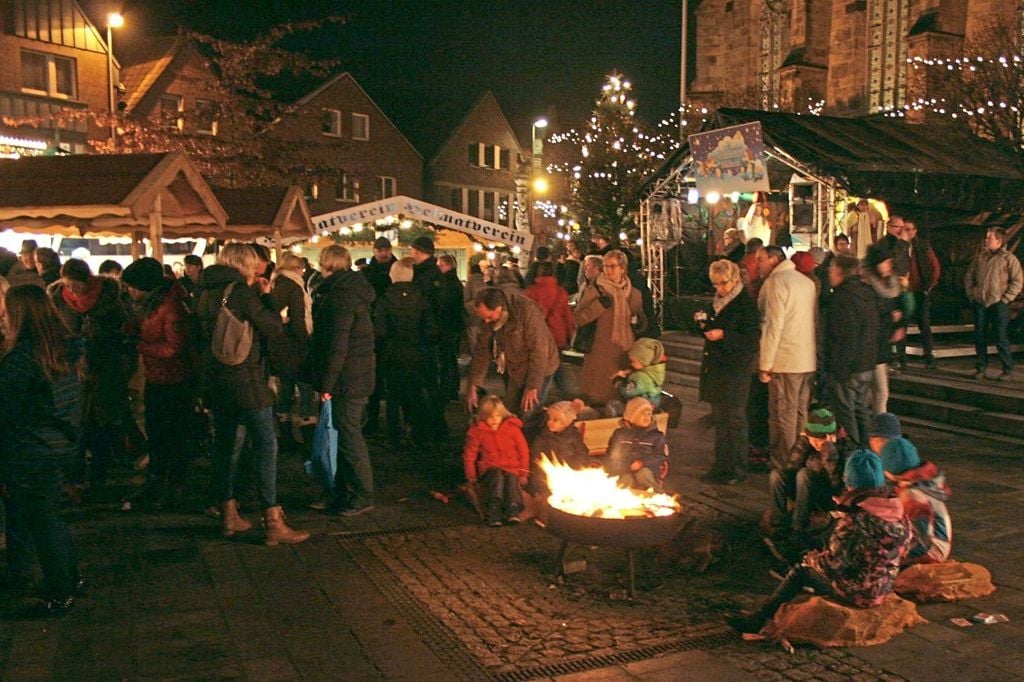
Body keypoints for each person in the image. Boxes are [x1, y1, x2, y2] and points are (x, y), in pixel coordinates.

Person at [728, 450, 911, 634]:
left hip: (860, 593)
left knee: (801, 572)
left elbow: (834, 565)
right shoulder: (897, 511)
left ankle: (759, 618)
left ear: (850, 482)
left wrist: (811, 558)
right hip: (883, 584)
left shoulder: (856, 519)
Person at [196, 243, 308, 544]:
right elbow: (273, 328)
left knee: (226, 446)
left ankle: (228, 515)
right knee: (266, 445)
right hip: (247, 380)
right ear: (245, 264)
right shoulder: (240, 292)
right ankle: (273, 520)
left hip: (217, 381)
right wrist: (267, 296)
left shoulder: (204, 291)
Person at [0, 286, 84, 617]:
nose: (4, 317)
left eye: (7, 311)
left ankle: (59, 590)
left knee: (42, 519)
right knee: (49, 516)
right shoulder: (62, 349)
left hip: (31, 447)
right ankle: (69, 579)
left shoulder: (22, 358)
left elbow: (6, 408)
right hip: (58, 443)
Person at [307, 245, 377, 517]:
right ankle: (342, 491)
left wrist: (326, 384)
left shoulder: (341, 297)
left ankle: (360, 493)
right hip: (353, 375)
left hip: (348, 379)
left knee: (348, 436)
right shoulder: (347, 292)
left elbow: (337, 345)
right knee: (342, 435)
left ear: (327, 265)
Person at [50, 258, 130, 490]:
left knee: (102, 423)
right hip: (71, 372)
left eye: (76, 285)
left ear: (88, 280)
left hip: (105, 369)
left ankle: (98, 476)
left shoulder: (109, 297)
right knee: (75, 424)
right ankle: (73, 476)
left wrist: (102, 334)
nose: (72, 290)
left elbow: (123, 330)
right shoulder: (58, 299)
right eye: (68, 286)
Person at [121, 258, 194, 509]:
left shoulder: (171, 307)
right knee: (157, 434)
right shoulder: (151, 305)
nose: (130, 292)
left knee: (171, 436)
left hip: (174, 380)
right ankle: (157, 481)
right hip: (157, 377)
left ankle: (172, 487)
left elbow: (175, 347)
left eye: (133, 287)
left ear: (146, 286)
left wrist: (140, 345)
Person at [698, 259, 760, 485]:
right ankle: (720, 465)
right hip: (717, 368)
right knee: (720, 419)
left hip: (735, 370)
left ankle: (736, 468)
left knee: (735, 420)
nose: (719, 288)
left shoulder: (744, 305)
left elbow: (751, 339)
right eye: (715, 284)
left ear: (735, 280)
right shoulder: (718, 302)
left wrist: (724, 335)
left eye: (723, 283)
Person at [756, 246, 816, 472]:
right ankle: (801, 456)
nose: (759, 264)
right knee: (801, 411)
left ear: (774, 259)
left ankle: (786, 463)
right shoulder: (806, 283)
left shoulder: (776, 283)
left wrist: (765, 363)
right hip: (805, 356)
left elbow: (773, 325)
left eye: (761, 259)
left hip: (785, 358)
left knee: (785, 413)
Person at [373, 257, 436, 449]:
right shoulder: (422, 299)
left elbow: (380, 330)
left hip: (392, 353)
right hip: (417, 353)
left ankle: (394, 435)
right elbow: (431, 329)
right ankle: (418, 432)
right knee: (415, 393)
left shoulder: (384, 299)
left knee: (393, 396)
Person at [467, 287, 560, 418]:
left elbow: (540, 350)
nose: (486, 321)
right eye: (483, 318)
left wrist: (532, 386)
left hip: (541, 367)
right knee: (510, 411)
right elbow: (481, 351)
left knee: (528, 411)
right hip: (515, 367)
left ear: (499, 308)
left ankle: (529, 435)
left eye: (489, 316)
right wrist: (475, 384)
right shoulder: (488, 320)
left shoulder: (526, 310)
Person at [766, 409, 845, 554]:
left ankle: (797, 531)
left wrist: (829, 453)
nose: (814, 443)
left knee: (804, 474)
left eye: (817, 440)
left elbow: (836, 484)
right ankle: (778, 527)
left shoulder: (843, 446)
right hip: (804, 491)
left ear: (829, 436)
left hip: (827, 498)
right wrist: (802, 444)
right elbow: (791, 468)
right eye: (811, 438)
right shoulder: (808, 443)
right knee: (776, 475)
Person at [574, 250, 646, 404]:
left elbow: (642, 320)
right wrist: (599, 306)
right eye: (605, 266)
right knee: (597, 396)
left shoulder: (634, 293)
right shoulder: (595, 290)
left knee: (619, 395)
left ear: (622, 268)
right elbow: (579, 318)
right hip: (599, 351)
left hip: (624, 351)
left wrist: (639, 322)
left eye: (612, 266)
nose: (608, 270)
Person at [824, 254, 878, 448]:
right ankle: (867, 451)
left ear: (838, 272)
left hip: (848, 366)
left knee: (846, 414)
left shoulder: (841, 298)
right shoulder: (867, 293)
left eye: (831, 270)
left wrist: (839, 369)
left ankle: (854, 455)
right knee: (860, 409)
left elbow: (845, 336)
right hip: (866, 363)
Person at [880, 437, 952, 565]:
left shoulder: (912, 496)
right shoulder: (923, 484)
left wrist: (888, 556)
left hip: (930, 554)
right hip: (935, 546)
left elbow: (924, 542)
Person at [269, 253, 314, 450]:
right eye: (302, 268)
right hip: (295, 346)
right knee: (305, 389)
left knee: (285, 390)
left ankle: (285, 434)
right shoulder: (294, 286)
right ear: (295, 268)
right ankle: (308, 437)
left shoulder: (276, 284)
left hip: (280, 345)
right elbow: (298, 320)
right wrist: (306, 341)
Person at [965, 227, 1022, 380]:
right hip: (980, 302)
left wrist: (1006, 299)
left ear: (999, 241)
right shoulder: (980, 258)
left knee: (1000, 336)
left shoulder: (1009, 259)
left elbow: (1017, 281)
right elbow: (969, 276)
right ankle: (981, 367)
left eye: (989, 238)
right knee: (980, 336)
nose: (986, 240)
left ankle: (1007, 369)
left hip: (999, 303)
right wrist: (972, 294)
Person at [462, 396, 529, 527]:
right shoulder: (478, 431)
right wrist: (471, 475)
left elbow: (523, 451)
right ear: (483, 416)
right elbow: (469, 454)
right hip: (490, 469)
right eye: (490, 416)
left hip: (511, 468)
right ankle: (494, 509)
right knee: (497, 478)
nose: (494, 420)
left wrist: (523, 473)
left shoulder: (513, 429)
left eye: (497, 416)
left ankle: (512, 508)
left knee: (510, 479)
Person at [862, 243, 904, 414]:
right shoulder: (867, 285)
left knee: (870, 394)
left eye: (889, 262)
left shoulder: (892, 283)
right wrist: (890, 316)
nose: (888, 266)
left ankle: (855, 427)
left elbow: (899, 305)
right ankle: (880, 430)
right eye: (884, 262)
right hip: (871, 345)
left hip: (882, 343)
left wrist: (899, 323)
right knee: (880, 392)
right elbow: (871, 314)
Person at [362, 236, 397, 434]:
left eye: (386, 249)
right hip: (373, 330)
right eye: (380, 250)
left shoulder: (395, 268)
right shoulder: (369, 272)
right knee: (373, 376)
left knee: (389, 376)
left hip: (390, 331)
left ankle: (391, 421)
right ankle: (373, 416)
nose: (383, 253)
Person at [896, 221, 941, 369]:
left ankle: (929, 356)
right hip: (903, 291)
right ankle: (901, 358)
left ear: (915, 231)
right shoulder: (898, 247)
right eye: (904, 229)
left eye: (909, 229)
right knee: (902, 325)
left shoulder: (922, 246)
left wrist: (929, 285)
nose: (906, 232)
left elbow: (935, 266)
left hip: (920, 290)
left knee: (924, 324)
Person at [602, 397, 669, 491]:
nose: (647, 417)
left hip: (648, 469)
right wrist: (619, 467)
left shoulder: (656, 435)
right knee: (625, 479)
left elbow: (661, 455)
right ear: (632, 417)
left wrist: (642, 462)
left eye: (649, 414)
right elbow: (611, 454)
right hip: (625, 468)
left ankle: (657, 495)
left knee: (643, 474)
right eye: (643, 414)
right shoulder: (620, 434)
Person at [436, 254, 465, 401]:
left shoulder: (446, 283)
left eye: (440, 266)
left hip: (447, 326)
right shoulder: (455, 282)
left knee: (447, 359)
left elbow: (444, 306)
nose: (438, 268)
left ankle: (449, 388)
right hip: (453, 326)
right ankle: (452, 387)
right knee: (450, 358)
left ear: (447, 266)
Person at [613, 337, 666, 409]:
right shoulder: (652, 373)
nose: (631, 364)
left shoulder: (641, 377)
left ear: (645, 362)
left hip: (640, 408)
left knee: (613, 406)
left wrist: (618, 380)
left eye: (633, 361)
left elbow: (627, 392)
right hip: (649, 405)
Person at [463, 262, 488, 351]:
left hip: (473, 316)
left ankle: (476, 358)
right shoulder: (483, 283)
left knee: (473, 338)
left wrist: (467, 308)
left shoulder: (471, 282)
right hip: (484, 316)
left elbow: (469, 299)